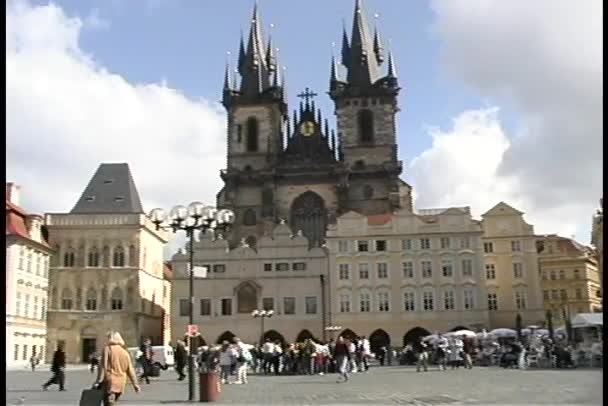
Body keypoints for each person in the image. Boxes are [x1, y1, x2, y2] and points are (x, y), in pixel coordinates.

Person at [94, 331, 140, 406]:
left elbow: (102, 367)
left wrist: (98, 381)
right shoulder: (125, 352)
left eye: (108, 337)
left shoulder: (107, 349)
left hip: (110, 382)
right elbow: (130, 370)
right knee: (113, 402)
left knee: (108, 403)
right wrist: (135, 384)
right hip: (121, 383)